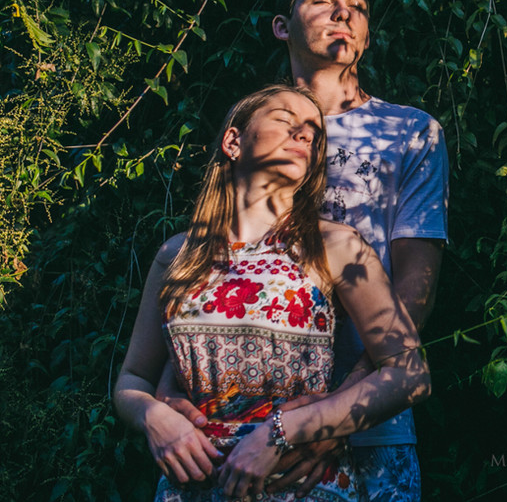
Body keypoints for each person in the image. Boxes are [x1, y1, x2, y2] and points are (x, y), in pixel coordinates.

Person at [160, 0, 449, 501]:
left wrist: (333, 413)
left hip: (372, 423)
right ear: (281, 25)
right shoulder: (260, 129)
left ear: (367, 33)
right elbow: (208, 278)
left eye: (357, 4)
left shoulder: (410, 133)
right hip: (233, 431)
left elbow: (417, 285)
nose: (343, 11)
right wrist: (165, 396)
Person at [114, 85, 431, 501]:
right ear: (233, 141)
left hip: (299, 486)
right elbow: (133, 378)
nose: (304, 135)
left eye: (313, 134)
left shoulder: (335, 246)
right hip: (192, 487)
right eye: (285, 120)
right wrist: (154, 417)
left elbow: (409, 374)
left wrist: (285, 431)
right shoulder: (177, 255)